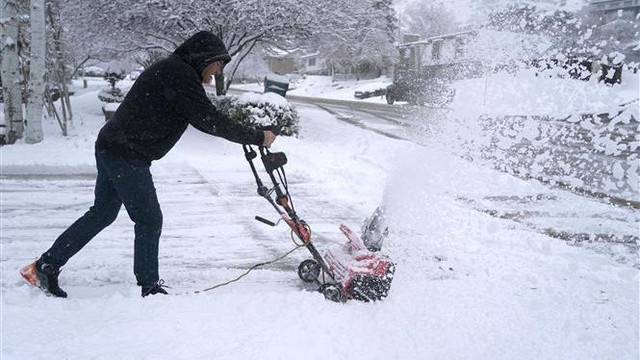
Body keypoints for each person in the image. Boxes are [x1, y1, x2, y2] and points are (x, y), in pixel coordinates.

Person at [19, 31, 277, 298]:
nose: (218, 72)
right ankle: (148, 286)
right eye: (218, 64)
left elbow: (207, 116)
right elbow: (209, 120)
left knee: (103, 213)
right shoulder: (180, 75)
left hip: (113, 146)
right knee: (149, 219)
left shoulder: (175, 71)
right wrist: (258, 137)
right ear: (205, 58)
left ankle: (45, 266)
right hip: (126, 153)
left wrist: (250, 133)